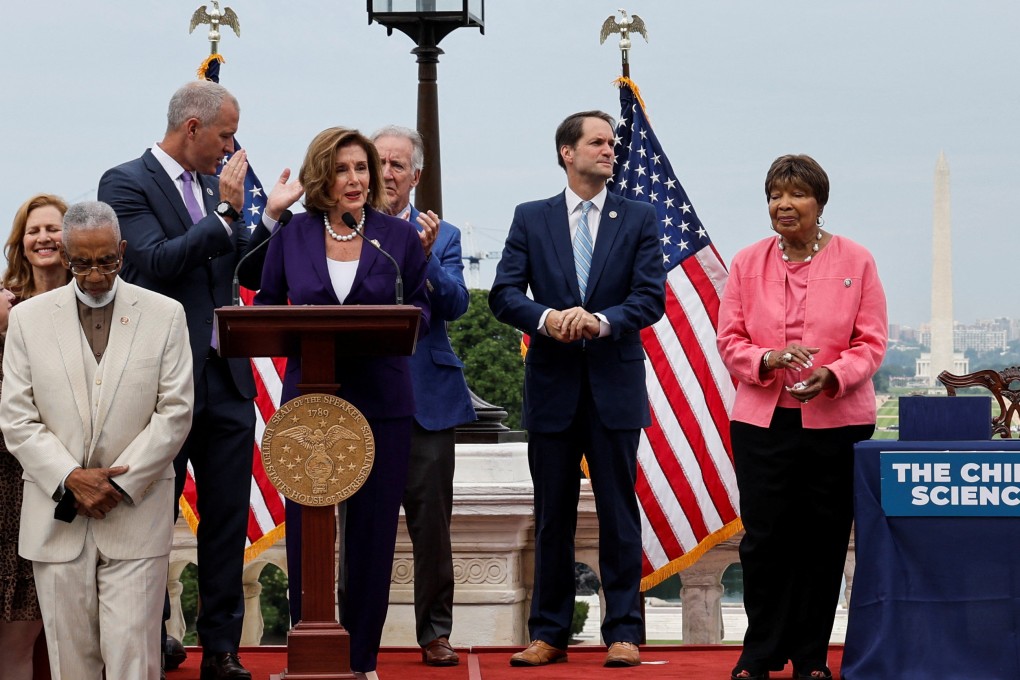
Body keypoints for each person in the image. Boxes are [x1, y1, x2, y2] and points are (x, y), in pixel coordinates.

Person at [96, 80, 295, 680]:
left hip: (227, 380)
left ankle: (223, 649)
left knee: (227, 522)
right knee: (149, 520)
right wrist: (229, 214)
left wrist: (272, 221)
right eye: (226, 135)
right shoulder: (125, 183)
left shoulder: (218, 188)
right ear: (191, 127)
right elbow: (152, 263)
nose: (233, 148)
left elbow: (242, 265)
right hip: (159, 387)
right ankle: (153, 637)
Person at [489, 110, 665, 668]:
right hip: (552, 389)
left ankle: (624, 633)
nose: (609, 150)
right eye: (597, 142)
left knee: (618, 515)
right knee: (552, 517)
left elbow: (650, 298)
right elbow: (503, 293)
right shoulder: (531, 218)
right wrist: (546, 319)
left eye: (612, 143)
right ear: (567, 152)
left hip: (614, 387)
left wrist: (602, 320)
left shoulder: (638, 217)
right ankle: (548, 634)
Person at [255, 126, 430, 680]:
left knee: (373, 535)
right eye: (341, 169)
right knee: (308, 532)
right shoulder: (294, 233)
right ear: (321, 178)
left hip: (382, 401)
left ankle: (361, 663)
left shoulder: (394, 238)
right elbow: (265, 303)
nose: (354, 180)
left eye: (362, 169)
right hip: (311, 405)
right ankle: (310, 656)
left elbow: (420, 312)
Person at [0, 201, 194, 680]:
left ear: (122, 251)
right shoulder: (28, 319)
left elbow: (176, 411)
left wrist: (117, 485)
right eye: (82, 262)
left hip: (136, 514)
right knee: (71, 664)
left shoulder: (165, 314)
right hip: (56, 520)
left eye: (106, 261)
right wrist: (69, 478)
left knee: (135, 661)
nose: (94, 274)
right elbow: (17, 417)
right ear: (64, 255)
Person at [716, 154, 887, 680]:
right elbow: (730, 341)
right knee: (765, 540)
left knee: (824, 539)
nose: (783, 205)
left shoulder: (856, 261)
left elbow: (872, 342)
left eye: (796, 195)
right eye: (774, 195)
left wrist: (833, 375)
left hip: (836, 424)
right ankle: (760, 651)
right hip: (762, 425)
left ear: (819, 202)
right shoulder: (746, 263)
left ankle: (812, 655)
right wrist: (765, 359)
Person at [371, 125, 475, 667]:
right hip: (363, 397)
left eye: (397, 164)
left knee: (431, 525)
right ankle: (354, 628)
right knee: (360, 523)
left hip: (427, 401)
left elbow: (455, 305)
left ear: (416, 175)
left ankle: (435, 632)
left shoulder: (446, 234)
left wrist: (424, 256)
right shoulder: (346, 231)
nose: (387, 173)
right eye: (378, 162)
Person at [3, 193, 72, 300]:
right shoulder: (8, 302)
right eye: (33, 232)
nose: (43, 238)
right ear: (22, 246)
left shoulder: (89, 297)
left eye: (52, 229)